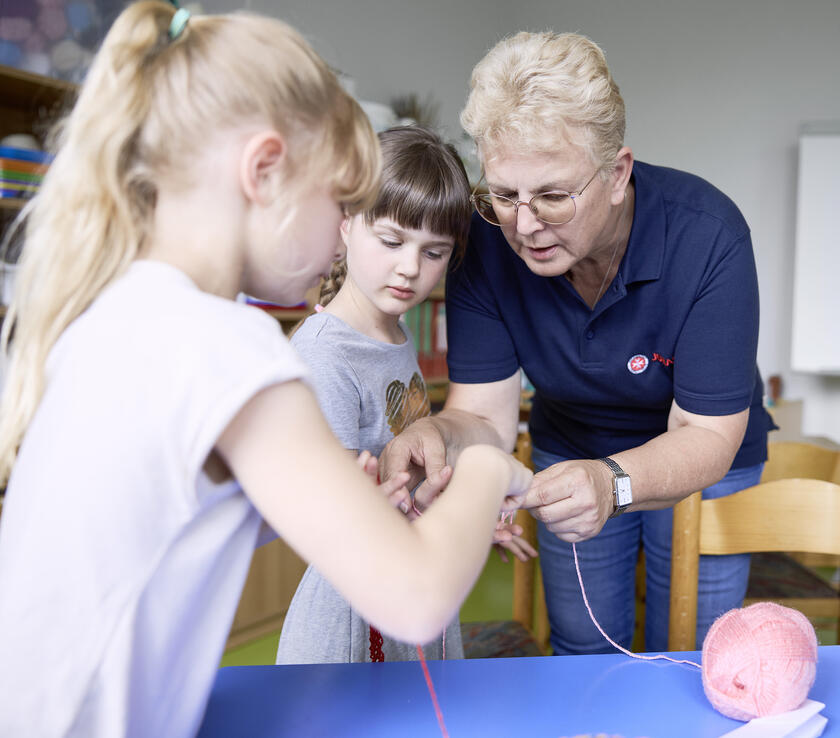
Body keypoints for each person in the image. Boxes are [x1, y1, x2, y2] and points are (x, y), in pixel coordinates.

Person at [0, 5, 533, 737]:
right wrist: (491, 468)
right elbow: (415, 599)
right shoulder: (228, 347)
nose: (339, 229)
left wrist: (356, 488)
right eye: (341, 199)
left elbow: (170, 520)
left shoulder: (118, 316)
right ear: (264, 171)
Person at [380, 31, 774, 655]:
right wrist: (441, 436)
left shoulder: (709, 237)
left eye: (553, 196)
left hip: (704, 453)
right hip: (573, 449)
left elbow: (706, 433)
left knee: (698, 650)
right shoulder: (486, 244)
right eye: (505, 195)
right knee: (587, 647)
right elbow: (483, 414)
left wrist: (615, 482)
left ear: (617, 174)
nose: (526, 226)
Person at [276, 126, 537, 666]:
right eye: (392, 241)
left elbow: (406, 482)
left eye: (434, 252)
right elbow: (340, 515)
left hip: (404, 589)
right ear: (346, 223)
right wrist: (452, 518)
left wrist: (460, 511)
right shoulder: (326, 353)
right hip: (355, 621)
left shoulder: (394, 336)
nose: (411, 268)